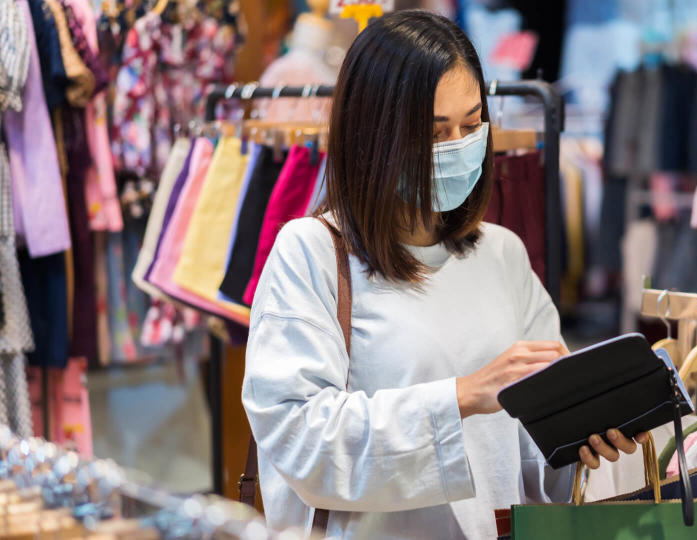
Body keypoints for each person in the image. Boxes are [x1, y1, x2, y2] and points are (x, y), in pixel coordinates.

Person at [242, 10, 643, 539]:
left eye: (472, 124)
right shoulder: (312, 252)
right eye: (434, 132)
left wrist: (579, 437)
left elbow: (528, 452)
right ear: (374, 136)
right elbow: (299, 441)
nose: (459, 145)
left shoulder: (502, 254)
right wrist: (462, 395)